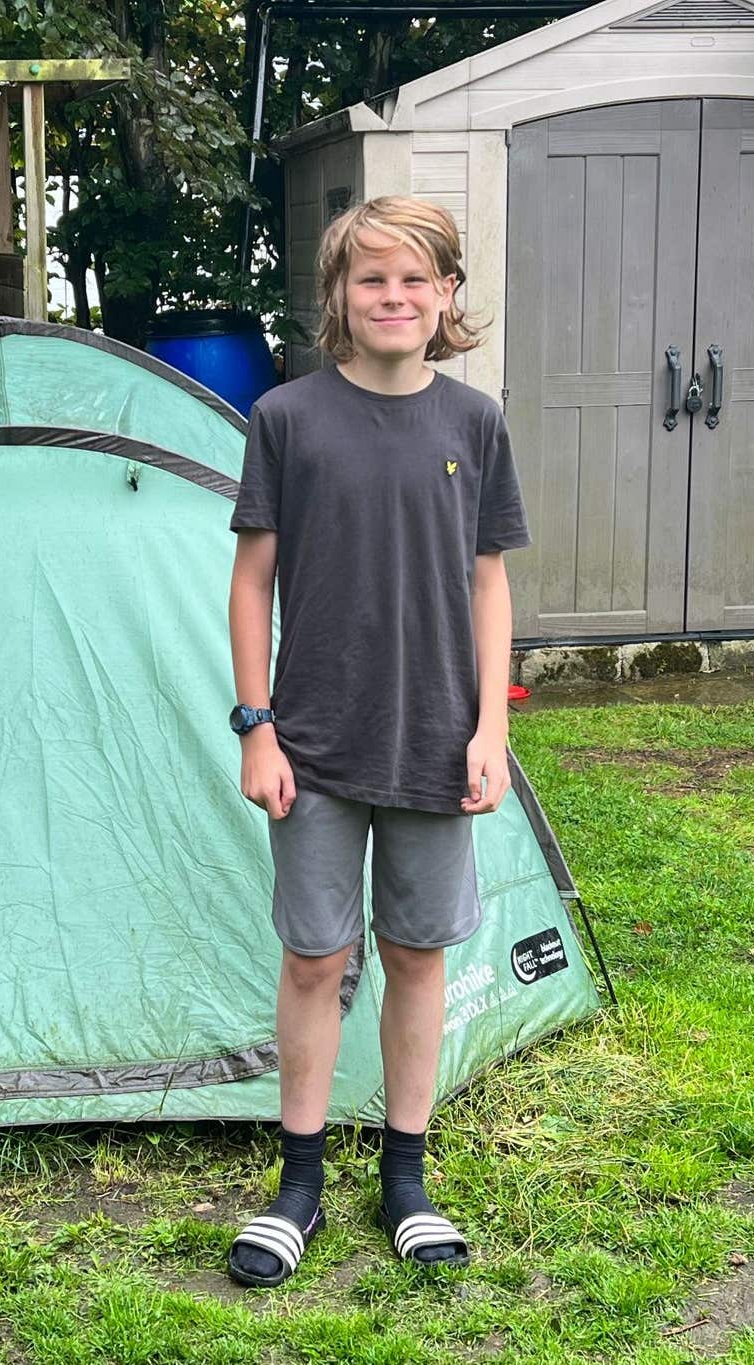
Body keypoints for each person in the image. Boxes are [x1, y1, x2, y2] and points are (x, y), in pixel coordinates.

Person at [223, 194, 528, 1288]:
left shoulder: (474, 424)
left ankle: (406, 1176)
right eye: (370, 281)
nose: (392, 298)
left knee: (414, 954)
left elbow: (488, 582)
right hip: (309, 741)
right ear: (337, 301)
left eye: (414, 280)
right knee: (315, 958)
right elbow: (250, 582)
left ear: (446, 297)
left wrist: (490, 726)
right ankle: (297, 1185)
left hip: (439, 742)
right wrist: (256, 728)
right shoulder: (286, 419)